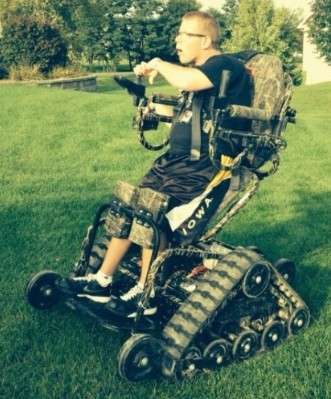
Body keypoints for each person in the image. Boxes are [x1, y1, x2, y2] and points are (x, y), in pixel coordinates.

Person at [58, 11, 251, 318]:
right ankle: (103, 279)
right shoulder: (200, 76)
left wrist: (159, 64)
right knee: (129, 206)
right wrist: (146, 101)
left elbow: (188, 80)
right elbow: (185, 114)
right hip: (174, 161)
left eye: (184, 35)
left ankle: (146, 296)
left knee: (154, 215)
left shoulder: (223, 65)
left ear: (204, 40)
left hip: (205, 166)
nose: (177, 40)